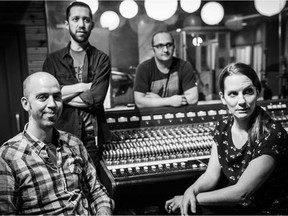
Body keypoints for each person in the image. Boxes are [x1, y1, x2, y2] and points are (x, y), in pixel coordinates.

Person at [165, 63, 288, 215]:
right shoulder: (223, 126)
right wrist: (191, 190)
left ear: (257, 92)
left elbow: (241, 193)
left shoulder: (272, 134)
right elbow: (211, 175)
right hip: (237, 207)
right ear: (223, 98)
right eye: (233, 94)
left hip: (267, 210)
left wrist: (191, 198)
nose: (241, 101)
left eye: (248, 92)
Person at [0, 72, 114, 215]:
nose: (52, 104)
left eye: (57, 97)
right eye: (42, 97)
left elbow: (96, 192)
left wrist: (104, 210)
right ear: (25, 103)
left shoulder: (73, 143)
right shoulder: (8, 156)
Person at [43, 1, 111, 167]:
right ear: (67, 24)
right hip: (61, 135)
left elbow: (96, 99)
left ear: (92, 25)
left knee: (93, 186)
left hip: (92, 137)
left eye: (86, 20)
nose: (81, 24)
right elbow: (47, 97)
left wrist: (60, 93)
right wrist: (83, 87)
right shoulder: (53, 60)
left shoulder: (101, 59)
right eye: (76, 19)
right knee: (66, 186)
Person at [134, 31, 198, 108]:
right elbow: (140, 103)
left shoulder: (184, 66)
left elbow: (193, 99)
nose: (165, 50)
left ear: (174, 47)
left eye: (169, 45)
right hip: (150, 118)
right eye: (160, 46)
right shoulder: (143, 68)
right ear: (153, 49)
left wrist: (159, 101)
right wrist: (170, 101)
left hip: (177, 118)